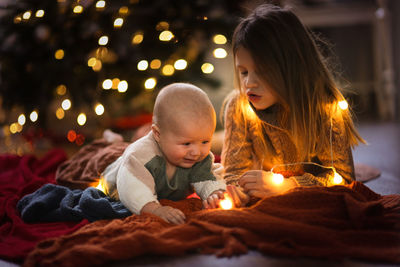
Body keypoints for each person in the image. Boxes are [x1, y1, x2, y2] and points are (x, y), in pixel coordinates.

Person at [221, 4, 365, 207]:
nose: (249, 83)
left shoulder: (325, 108)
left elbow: (343, 179)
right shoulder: (239, 105)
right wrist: (237, 191)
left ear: (292, 67)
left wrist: (288, 187)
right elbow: (233, 173)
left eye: (261, 71)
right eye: (244, 72)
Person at [102, 83, 226, 224]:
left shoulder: (198, 157)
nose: (197, 152)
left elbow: (207, 177)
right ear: (158, 134)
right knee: (106, 153)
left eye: (205, 141)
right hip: (117, 176)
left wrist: (214, 193)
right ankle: (111, 139)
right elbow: (132, 187)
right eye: (186, 143)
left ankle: (117, 142)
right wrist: (155, 209)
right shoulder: (139, 157)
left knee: (121, 147)